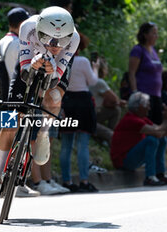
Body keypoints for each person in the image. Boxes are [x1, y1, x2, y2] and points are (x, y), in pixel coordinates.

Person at [0, 6, 80, 203]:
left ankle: (43, 132)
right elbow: (25, 71)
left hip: (57, 65)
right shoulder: (27, 27)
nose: (55, 44)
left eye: (61, 40)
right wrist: (34, 63)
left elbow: (54, 80)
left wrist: (52, 70)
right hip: (29, 60)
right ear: (39, 29)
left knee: (53, 97)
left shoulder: (73, 39)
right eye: (50, 39)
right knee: (10, 121)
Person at [29, 0, 75, 196]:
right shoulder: (36, 29)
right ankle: (37, 181)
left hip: (57, 82)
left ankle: (47, 179)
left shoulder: (71, 30)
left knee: (46, 137)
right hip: (36, 78)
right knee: (31, 134)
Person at [59, 32, 102, 192]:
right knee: (83, 143)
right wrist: (95, 68)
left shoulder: (60, 60)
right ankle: (84, 180)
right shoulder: (83, 61)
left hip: (66, 101)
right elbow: (92, 81)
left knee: (66, 145)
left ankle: (67, 181)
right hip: (83, 102)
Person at [110, 91, 167, 186]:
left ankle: (160, 174)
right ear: (140, 106)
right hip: (123, 161)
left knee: (162, 140)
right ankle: (150, 177)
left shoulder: (142, 118)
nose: (149, 109)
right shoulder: (131, 120)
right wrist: (166, 118)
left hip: (132, 157)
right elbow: (158, 132)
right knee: (151, 140)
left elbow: (164, 133)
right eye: (147, 105)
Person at [128, 22, 163, 125]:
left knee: (157, 125)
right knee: (146, 126)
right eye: (154, 33)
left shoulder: (153, 51)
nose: (157, 36)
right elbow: (131, 73)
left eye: (157, 33)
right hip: (144, 96)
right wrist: (135, 93)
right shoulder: (138, 50)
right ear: (145, 35)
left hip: (157, 95)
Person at [89, 56, 126, 146]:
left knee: (115, 110)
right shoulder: (99, 82)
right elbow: (115, 99)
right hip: (89, 118)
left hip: (92, 114)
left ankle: (100, 137)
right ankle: (107, 140)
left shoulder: (86, 79)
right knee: (112, 135)